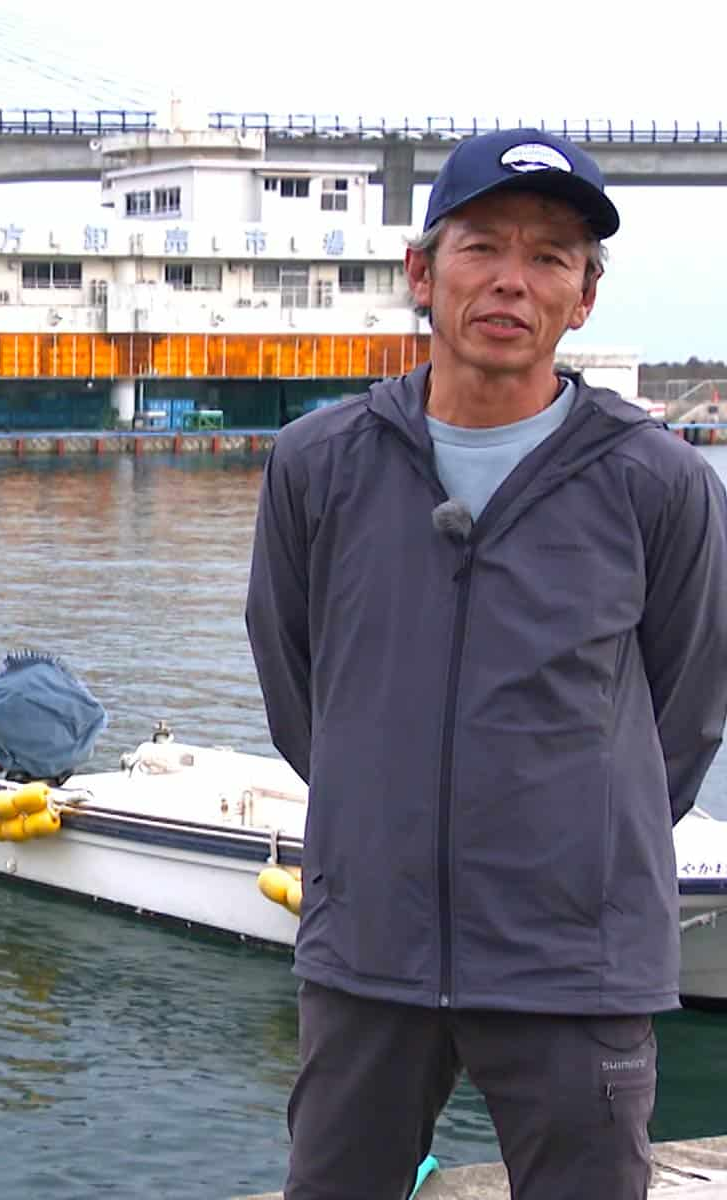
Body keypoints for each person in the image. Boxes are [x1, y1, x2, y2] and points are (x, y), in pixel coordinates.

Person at [245, 130, 727, 1199]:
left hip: (574, 959)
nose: (513, 279)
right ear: (423, 274)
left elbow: (683, 716)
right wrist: (381, 818)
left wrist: (576, 837)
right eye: (482, 246)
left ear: (583, 298)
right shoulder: (316, 464)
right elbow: (296, 685)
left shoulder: (656, 483)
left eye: (552, 256)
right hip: (368, 947)